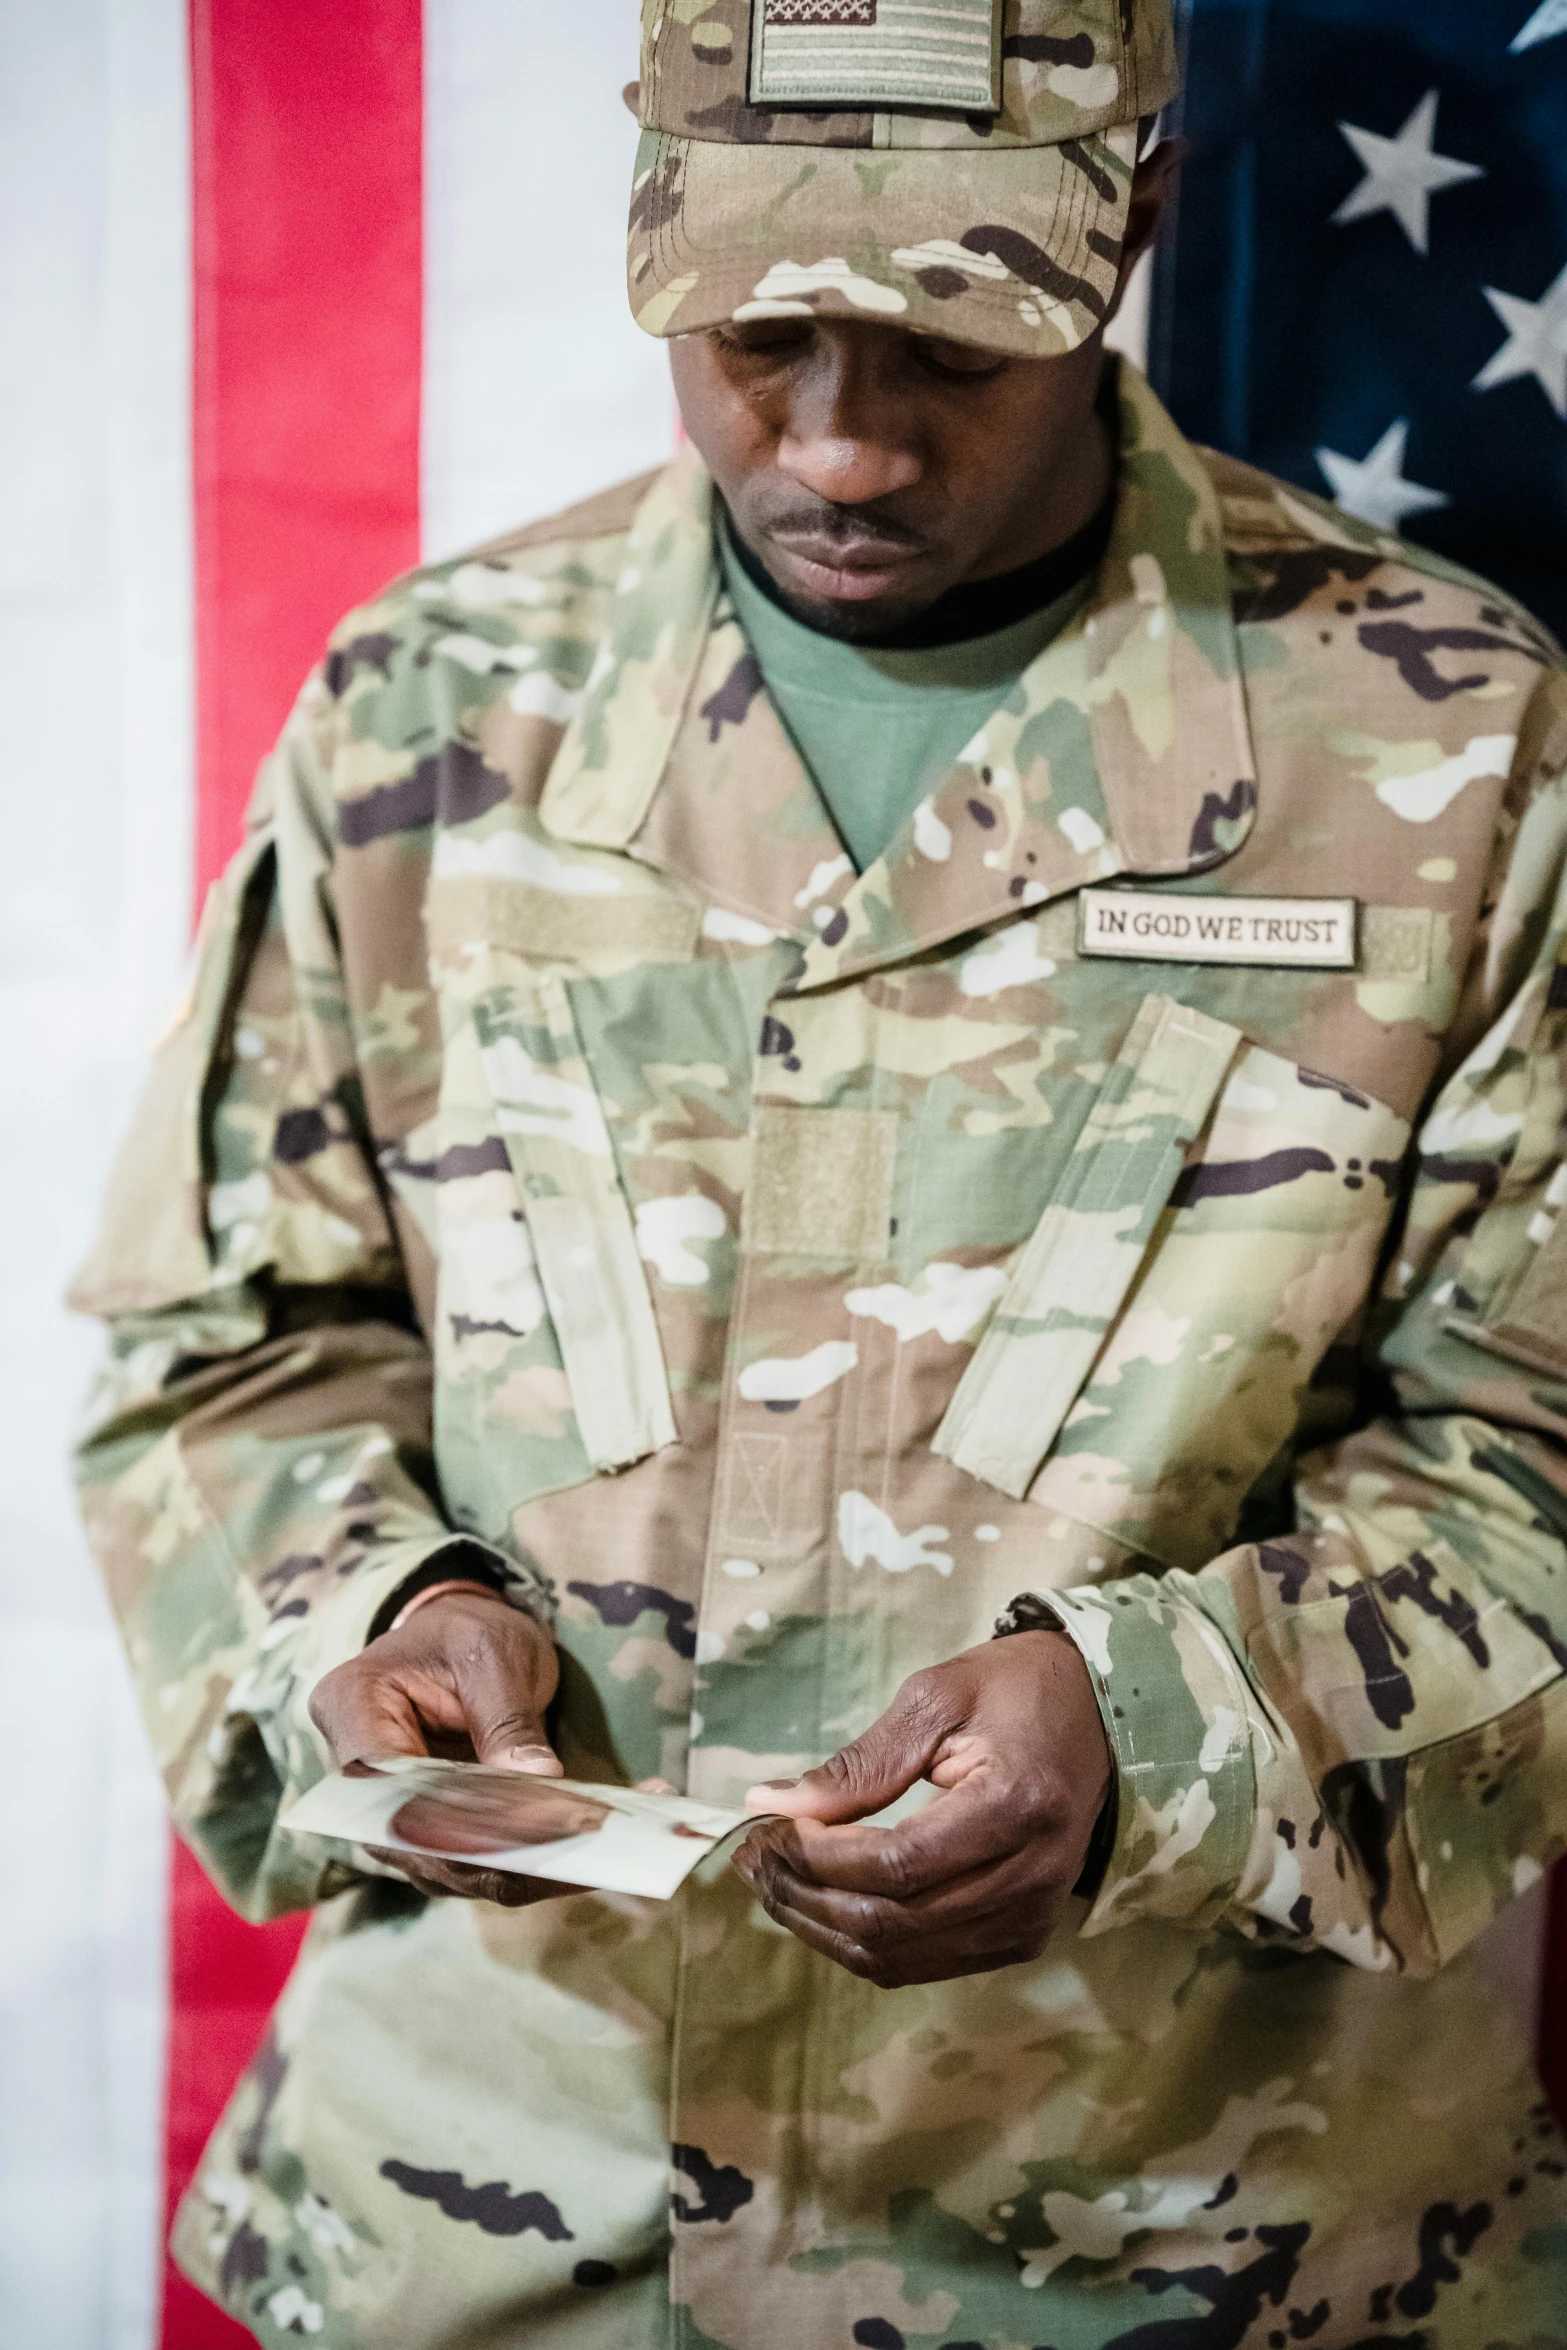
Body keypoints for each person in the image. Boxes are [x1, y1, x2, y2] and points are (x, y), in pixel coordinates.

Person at [72, 1, 1567, 2342]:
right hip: (503, 2231)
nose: (846, 447)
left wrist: (1155, 1730)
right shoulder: (436, 712)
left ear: (1137, 218)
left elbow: (1538, 1451)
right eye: (762, 336)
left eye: (952, 339)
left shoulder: (1451, 743)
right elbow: (223, 1349)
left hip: (1191, 2249)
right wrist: (369, 1621)